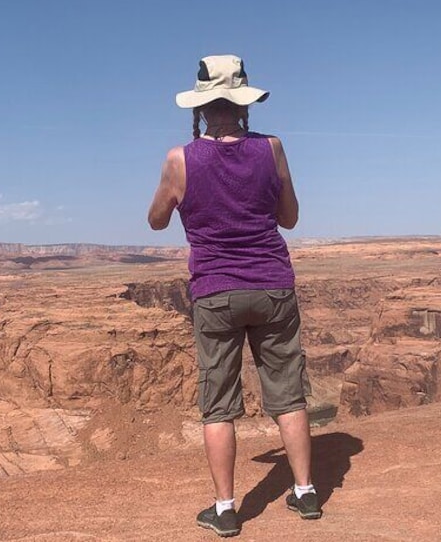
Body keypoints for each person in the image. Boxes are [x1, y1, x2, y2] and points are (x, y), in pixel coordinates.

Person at [148, 55, 320, 538]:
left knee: (218, 403)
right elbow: (289, 218)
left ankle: (226, 509)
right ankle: (305, 494)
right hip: (272, 284)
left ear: (201, 108)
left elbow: (157, 220)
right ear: (244, 104)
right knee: (287, 393)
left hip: (215, 291)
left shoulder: (179, 159)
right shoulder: (273, 148)